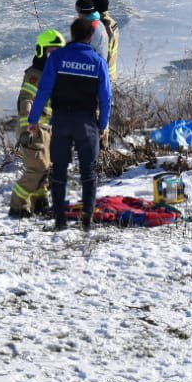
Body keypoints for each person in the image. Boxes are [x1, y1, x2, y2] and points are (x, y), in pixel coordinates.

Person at [27, 17, 113, 231]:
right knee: (89, 172)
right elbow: (106, 98)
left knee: (59, 171)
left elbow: (44, 90)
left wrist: (33, 119)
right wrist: (103, 124)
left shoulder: (57, 57)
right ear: (91, 37)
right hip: (87, 123)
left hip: (62, 121)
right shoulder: (98, 61)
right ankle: (87, 219)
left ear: (72, 34)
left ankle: (60, 220)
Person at [11, 29, 65, 217]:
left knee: (46, 167)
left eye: (59, 51)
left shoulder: (55, 73)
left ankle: (40, 202)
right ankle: (17, 206)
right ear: (41, 51)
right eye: (51, 51)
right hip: (33, 129)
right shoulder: (35, 74)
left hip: (47, 129)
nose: (55, 55)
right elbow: (26, 100)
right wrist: (28, 128)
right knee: (37, 169)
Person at [91, 0, 121, 81]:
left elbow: (105, 51)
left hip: (103, 76)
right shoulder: (112, 22)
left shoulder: (103, 26)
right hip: (110, 74)